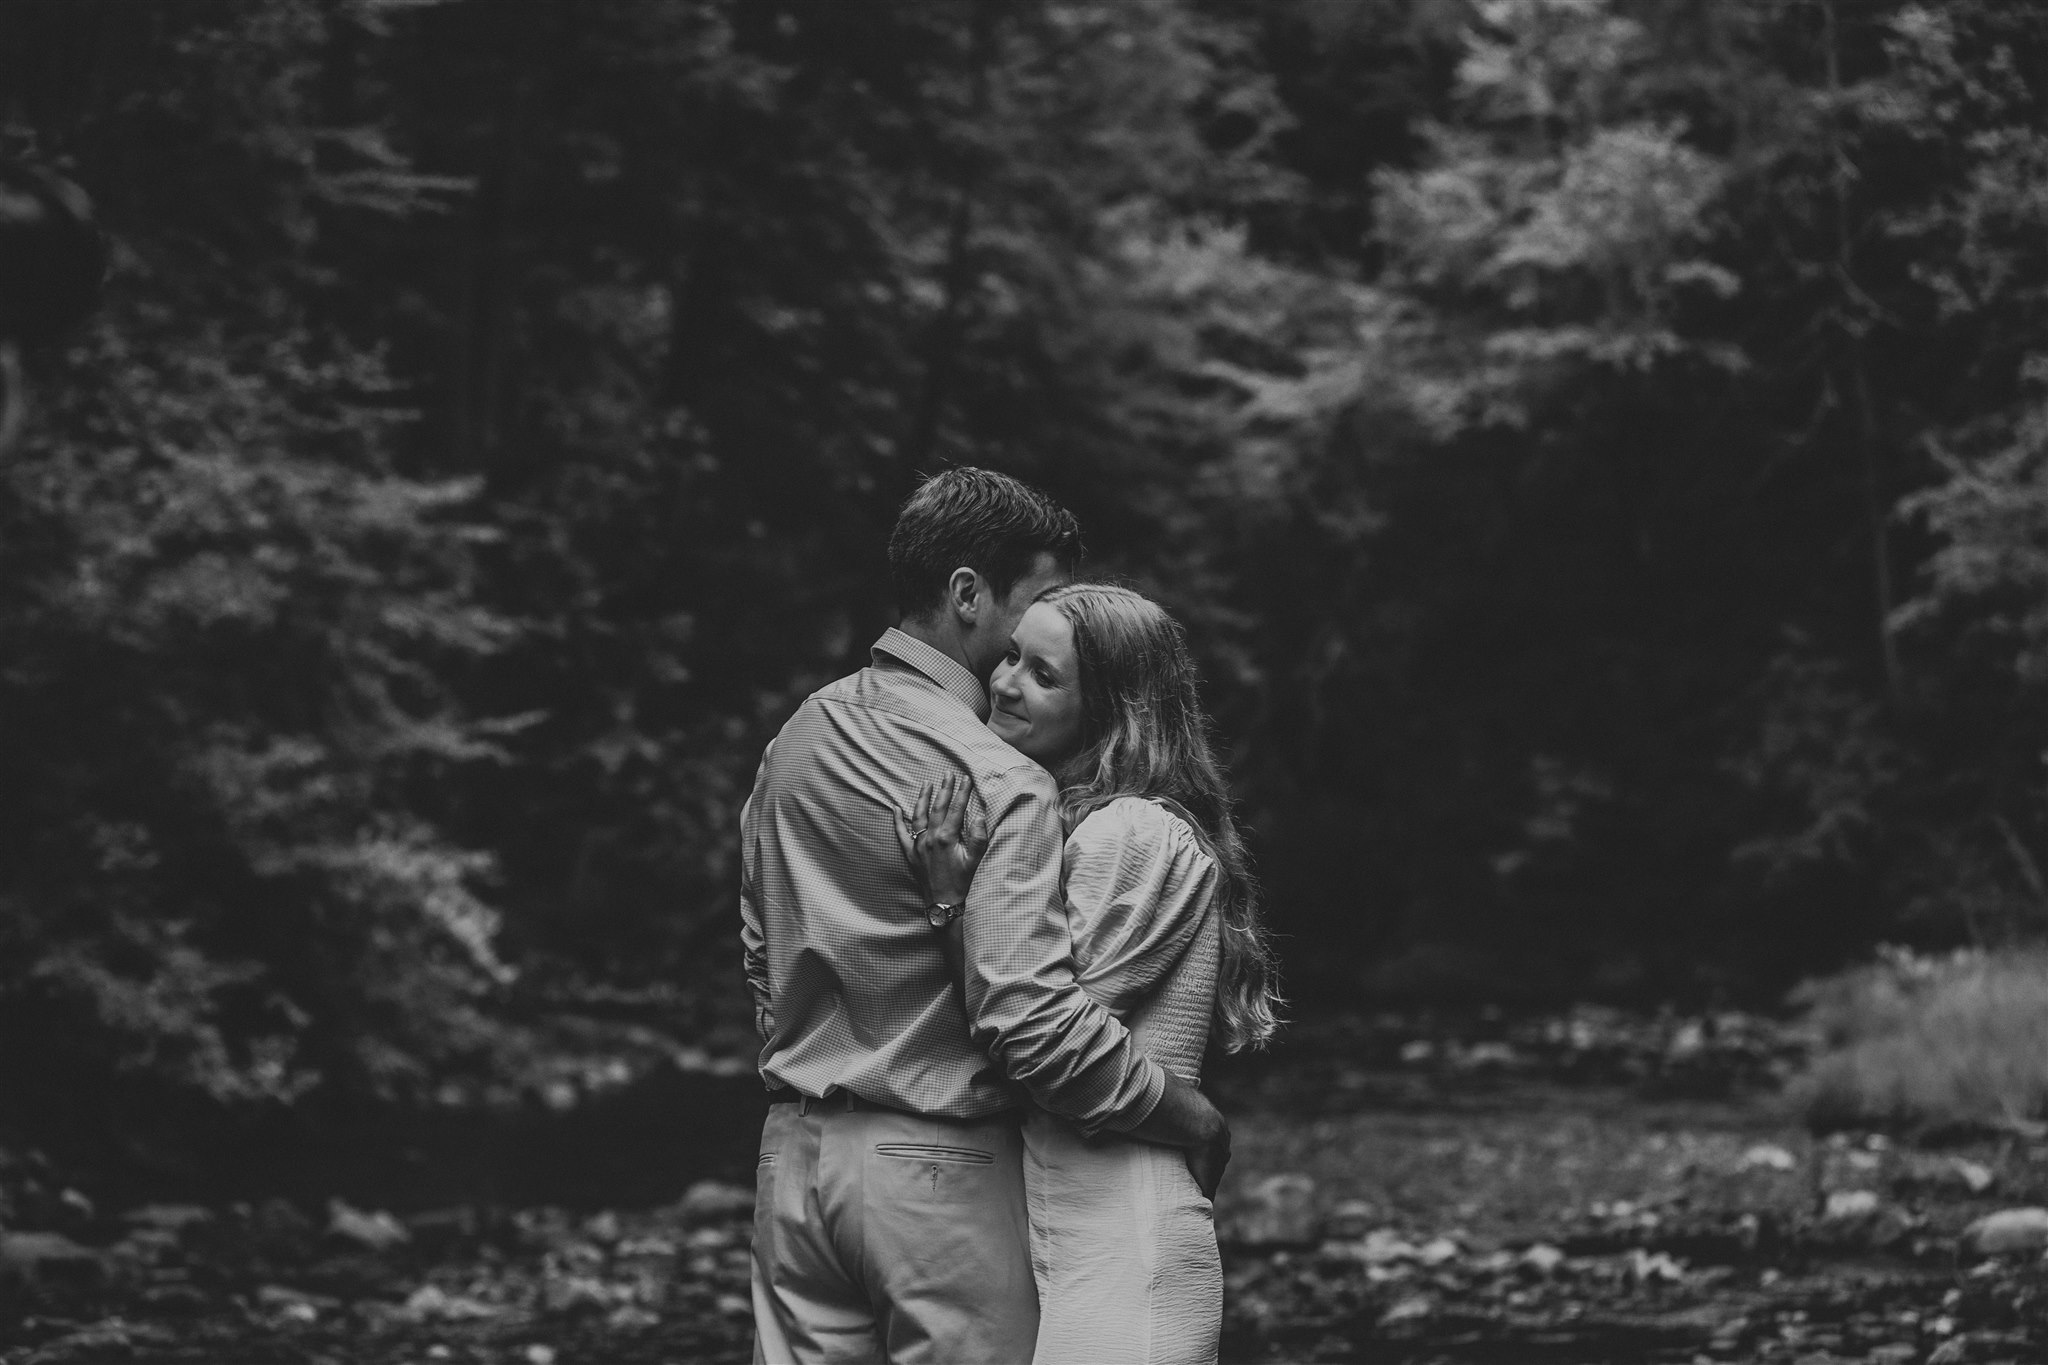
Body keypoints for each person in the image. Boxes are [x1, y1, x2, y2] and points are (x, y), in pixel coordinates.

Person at [741, 470, 1233, 1365]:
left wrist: (820, 1042)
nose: (1038, 634)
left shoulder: (797, 737)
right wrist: (1188, 1116)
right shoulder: (1002, 779)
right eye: (1039, 602)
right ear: (968, 592)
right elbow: (1031, 1022)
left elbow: (757, 946)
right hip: (936, 1169)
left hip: (791, 1160)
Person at [901, 582, 1282, 1365]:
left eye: (1043, 675)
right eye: (1010, 656)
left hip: (1126, 1246)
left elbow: (1034, 1037)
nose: (1004, 683)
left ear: (1113, 710)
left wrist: (948, 899)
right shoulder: (1078, 825)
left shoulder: (1131, 831)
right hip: (1080, 1244)